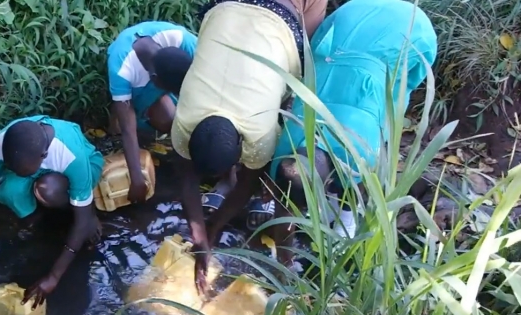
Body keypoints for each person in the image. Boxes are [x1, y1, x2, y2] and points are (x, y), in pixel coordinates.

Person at [169, 0, 328, 294]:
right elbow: (187, 179)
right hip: (227, 10)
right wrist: (201, 234)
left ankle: (273, 213)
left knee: (309, 62)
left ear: (242, 142)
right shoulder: (185, 121)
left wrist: (213, 229)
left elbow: (244, 186)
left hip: (283, 15)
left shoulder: (259, 129)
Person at [269, 0, 438, 245]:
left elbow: (405, 86)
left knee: (392, 104)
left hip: (411, 30)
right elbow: (283, 202)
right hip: (346, 21)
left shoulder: (361, 148)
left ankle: (346, 220)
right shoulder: (287, 147)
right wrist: (284, 262)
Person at [0, 116, 104, 308]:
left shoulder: (71, 156)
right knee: (9, 190)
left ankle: (68, 210)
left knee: (51, 192)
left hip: (80, 169)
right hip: (37, 170)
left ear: (43, 156)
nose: (14, 172)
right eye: (12, 168)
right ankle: (40, 222)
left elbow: (81, 222)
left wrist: (53, 277)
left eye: (22, 171)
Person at [107, 21, 197, 203]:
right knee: (119, 127)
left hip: (165, 80)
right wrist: (137, 179)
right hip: (138, 91)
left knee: (172, 121)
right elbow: (127, 130)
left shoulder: (181, 39)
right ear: (156, 81)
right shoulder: (121, 69)